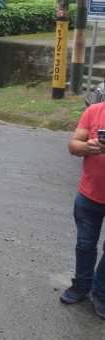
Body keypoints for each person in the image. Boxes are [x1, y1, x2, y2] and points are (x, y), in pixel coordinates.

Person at [60, 101, 105, 319]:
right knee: (85, 245)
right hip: (89, 195)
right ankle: (81, 286)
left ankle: (101, 292)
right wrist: (88, 146)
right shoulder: (94, 111)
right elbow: (73, 145)